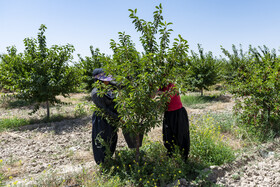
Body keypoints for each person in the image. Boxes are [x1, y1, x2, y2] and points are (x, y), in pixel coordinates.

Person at [91, 68, 119, 164]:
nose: (107, 81)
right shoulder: (96, 93)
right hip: (102, 119)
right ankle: (102, 163)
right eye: (105, 79)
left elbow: (120, 85)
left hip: (112, 118)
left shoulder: (109, 87)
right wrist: (118, 118)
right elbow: (104, 110)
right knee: (102, 138)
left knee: (112, 138)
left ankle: (109, 158)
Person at [158, 82, 190, 160]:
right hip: (168, 113)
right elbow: (152, 96)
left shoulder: (171, 84)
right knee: (168, 135)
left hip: (178, 113)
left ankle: (184, 157)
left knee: (181, 135)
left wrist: (158, 92)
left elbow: (170, 95)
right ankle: (171, 155)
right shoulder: (161, 85)